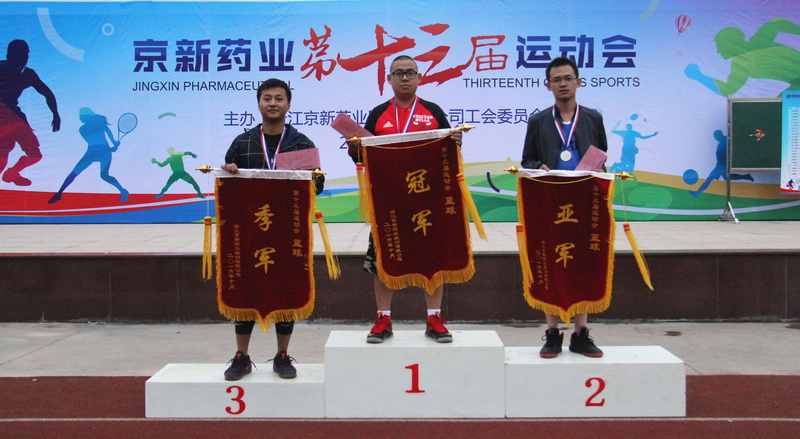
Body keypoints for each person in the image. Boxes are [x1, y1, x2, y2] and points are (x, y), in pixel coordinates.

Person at [347, 55, 463, 344]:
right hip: (387, 202)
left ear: (420, 77)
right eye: (399, 73)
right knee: (383, 259)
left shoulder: (433, 112)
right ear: (389, 79)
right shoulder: (378, 114)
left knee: (433, 258)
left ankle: (434, 318)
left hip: (427, 200)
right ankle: (383, 318)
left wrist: (456, 142)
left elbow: (448, 152)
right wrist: (354, 148)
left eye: (410, 72)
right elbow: (363, 155)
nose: (405, 78)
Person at [220, 78, 324, 380]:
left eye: (279, 98)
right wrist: (229, 170)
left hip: (287, 232)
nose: (273, 103)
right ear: (259, 104)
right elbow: (227, 177)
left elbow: (318, 184)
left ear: (288, 104)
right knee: (246, 288)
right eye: (267, 98)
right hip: (250, 231)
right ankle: (241, 356)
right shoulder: (242, 143)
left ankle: (282, 355)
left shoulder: (302, 143)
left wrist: (308, 176)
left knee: (285, 288)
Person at [521, 57, 607, 358]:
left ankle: (581, 334)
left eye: (568, 78)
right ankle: (553, 333)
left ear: (578, 82)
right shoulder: (538, 121)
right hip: (550, 201)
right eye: (556, 79)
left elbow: (602, 155)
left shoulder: (593, 118)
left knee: (583, 263)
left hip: (583, 202)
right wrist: (539, 166)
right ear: (548, 86)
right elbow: (527, 159)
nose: (563, 84)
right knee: (550, 263)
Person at [0, 39, 60, 186]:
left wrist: (55, 114)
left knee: (35, 155)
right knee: (4, 153)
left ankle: (11, 173)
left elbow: (47, 93)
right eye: (17, 57)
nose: (21, 60)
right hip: (4, 117)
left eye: (24, 57)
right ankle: (10, 174)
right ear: (8, 57)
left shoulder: (28, 74)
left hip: (16, 118)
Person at [48, 107, 128, 204]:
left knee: (104, 175)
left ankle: (123, 191)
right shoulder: (84, 129)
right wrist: (113, 146)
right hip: (95, 153)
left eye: (81, 116)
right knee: (75, 173)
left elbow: (105, 139)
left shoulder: (91, 126)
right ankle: (59, 194)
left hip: (100, 153)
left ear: (87, 116)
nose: (79, 118)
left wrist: (114, 144)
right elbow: (95, 142)